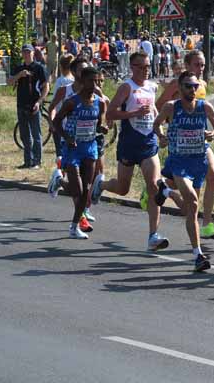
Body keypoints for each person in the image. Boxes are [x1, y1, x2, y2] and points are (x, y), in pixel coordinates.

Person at [90, 51, 169, 252]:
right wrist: (134, 113)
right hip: (128, 143)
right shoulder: (127, 87)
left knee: (153, 186)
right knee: (123, 189)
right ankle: (102, 184)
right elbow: (111, 112)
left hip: (148, 143)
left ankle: (153, 236)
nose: (145, 70)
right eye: (141, 67)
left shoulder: (152, 87)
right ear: (132, 67)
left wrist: (160, 133)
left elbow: (154, 113)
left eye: (148, 66)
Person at [153, 71, 214, 272]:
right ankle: (198, 254)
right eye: (188, 86)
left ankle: (166, 192)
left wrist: (213, 133)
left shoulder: (204, 106)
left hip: (198, 161)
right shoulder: (171, 107)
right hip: (178, 161)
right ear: (179, 87)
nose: (192, 90)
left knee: (191, 210)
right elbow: (157, 124)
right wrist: (161, 137)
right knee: (192, 201)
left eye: (195, 86)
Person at [49, 66, 107, 239]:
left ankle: (74, 227)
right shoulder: (72, 102)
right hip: (72, 149)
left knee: (86, 190)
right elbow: (56, 121)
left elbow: (99, 124)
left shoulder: (100, 102)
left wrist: (102, 127)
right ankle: (59, 180)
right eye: (91, 80)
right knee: (78, 190)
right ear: (82, 82)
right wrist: (66, 137)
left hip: (90, 148)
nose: (95, 84)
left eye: (98, 81)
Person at [8, 44, 49, 169]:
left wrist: (39, 101)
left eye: (28, 52)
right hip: (21, 104)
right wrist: (19, 75)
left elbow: (46, 87)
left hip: (34, 104)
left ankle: (37, 161)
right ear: (22, 54)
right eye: (24, 52)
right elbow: (9, 82)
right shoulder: (19, 68)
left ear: (33, 53)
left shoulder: (39, 68)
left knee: (36, 134)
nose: (26, 54)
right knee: (25, 135)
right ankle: (27, 161)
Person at [49, 54, 75, 158]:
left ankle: (61, 172)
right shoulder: (75, 80)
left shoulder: (61, 81)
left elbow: (54, 104)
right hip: (73, 122)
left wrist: (52, 123)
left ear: (60, 66)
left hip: (61, 121)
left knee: (60, 153)